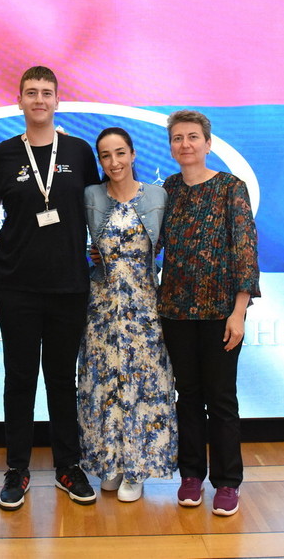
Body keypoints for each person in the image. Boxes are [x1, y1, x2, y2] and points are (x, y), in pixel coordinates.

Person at [0, 65, 101, 509]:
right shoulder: (2, 155)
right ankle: (17, 468)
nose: (39, 99)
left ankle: (68, 466)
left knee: (61, 379)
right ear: (19, 101)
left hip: (69, 285)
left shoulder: (79, 151)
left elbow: (100, 210)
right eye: (30, 92)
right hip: (16, 286)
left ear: (56, 100)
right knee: (19, 378)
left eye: (46, 92)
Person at [158, 109, 260, 517]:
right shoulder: (168, 189)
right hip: (175, 312)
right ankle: (190, 476)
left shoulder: (230, 188)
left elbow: (245, 251)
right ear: (171, 146)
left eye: (192, 137)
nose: (185, 144)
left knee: (221, 399)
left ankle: (228, 482)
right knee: (187, 398)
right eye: (177, 138)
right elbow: (153, 241)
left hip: (221, 313)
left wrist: (239, 312)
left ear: (207, 143)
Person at [79, 127, 177, 503]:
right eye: (106, 155)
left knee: (142, 385)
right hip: (101, 307)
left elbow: (169, 248)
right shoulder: (91, 196)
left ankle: (137, 470)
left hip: (144, 307)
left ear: (133, 155)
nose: (114, 161)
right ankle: (112, 464)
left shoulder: (157, 196)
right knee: (104, 386)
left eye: (120, 153)